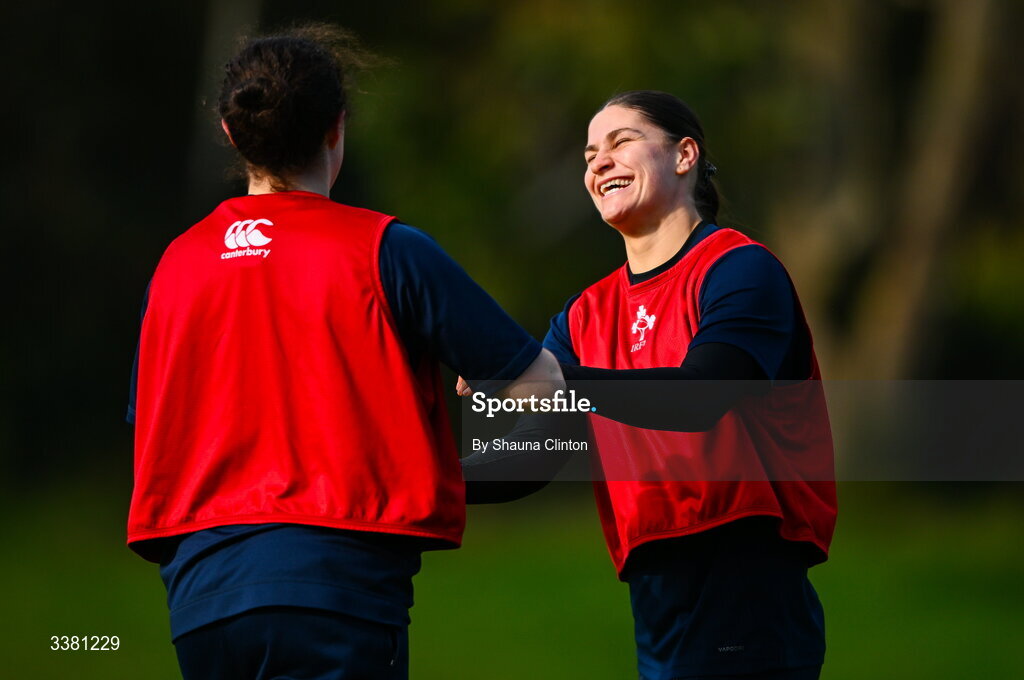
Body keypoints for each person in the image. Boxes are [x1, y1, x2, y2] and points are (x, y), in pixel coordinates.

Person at [126, 24, 562, 680]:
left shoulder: (175, 267)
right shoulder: (386, 251)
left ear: (229, 133)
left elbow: (155, 428)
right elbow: (545, 394)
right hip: (337, 594)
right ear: (338, 128)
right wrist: (446, 465)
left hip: (202, 606)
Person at [461, 91, 837, 680]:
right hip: (655, 596)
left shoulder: (739, 268)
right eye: (589, 154)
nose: (598, 163)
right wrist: (418, 471)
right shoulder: (585, 314)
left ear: (685, 155)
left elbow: (702, 395)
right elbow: (535, 454)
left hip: (745, 580)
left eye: (621, 142)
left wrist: (552, 376)